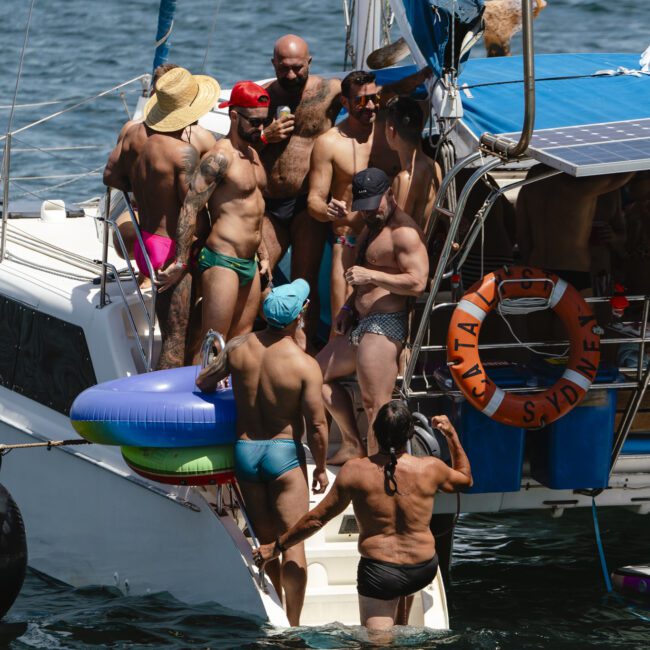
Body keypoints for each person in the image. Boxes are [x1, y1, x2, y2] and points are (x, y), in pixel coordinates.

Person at [253, 401, 473, 631]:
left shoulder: (354, 471)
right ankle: (402, 621)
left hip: (380, 574)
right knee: (402, 622)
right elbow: (466, 479)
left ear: (375, 433)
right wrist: (451, 434)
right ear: (410, 434)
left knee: (378, 643)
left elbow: (316, 519)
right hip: (422, 568)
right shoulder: (431, 468)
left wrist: (275, 547)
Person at [195, 279, 329, 626]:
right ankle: (294, 626)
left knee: (266, 542)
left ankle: (276, 615)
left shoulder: (239, 347)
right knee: (292, 544)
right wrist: (321, 468)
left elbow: (204, 382)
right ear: (300, 315)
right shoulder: (304, 365)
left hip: (245, 451)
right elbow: (316, 426)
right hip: (283, 454)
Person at [103, 66, 221, 369]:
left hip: (145, 243)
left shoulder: (132, 135)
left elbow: (110, 176)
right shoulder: (182, 152)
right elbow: (190, 212)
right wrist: (182, 260)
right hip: (170, 252)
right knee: (174, 340)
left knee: (175, 334)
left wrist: (144, 189)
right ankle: (165, 408)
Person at [316, 168, 428, 463]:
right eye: (362, 209)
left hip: (384, 325)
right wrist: (347, 307)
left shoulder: (403, 233)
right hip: (360, 323)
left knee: (376, 405)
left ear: (389, 195)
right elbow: (365, 280)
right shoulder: (371, 224)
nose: (368, 213)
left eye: (374, 206)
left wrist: (372, 275)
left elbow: (418, 282)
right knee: (314, 377)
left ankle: (381, 473)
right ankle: (353, 443)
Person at [308, 68, 430, 336]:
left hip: (391, 246)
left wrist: (428, 73)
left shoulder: (390, 132)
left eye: (375, 99)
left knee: (393, 324)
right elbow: (314, 200)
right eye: (362, 101)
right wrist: (327, 210)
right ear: (345, 103)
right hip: (350, 242)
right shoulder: (329, 143)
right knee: (342, 325)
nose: (371, 106)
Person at [158, 81, 270, 346]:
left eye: (264, 121)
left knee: (241, 339)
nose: (261, 128)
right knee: (214, 342)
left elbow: (255, 209)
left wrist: (263, 254)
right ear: (234, 115)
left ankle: (230, 388)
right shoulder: (220, 157)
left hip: (250, 262)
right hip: (223, 260)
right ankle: (201, 384)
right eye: (254, 122)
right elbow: (191, 207)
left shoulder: (253, 154)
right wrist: (182, 261)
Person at [259, 35, 340, 342]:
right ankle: (267, 342)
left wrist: (424, 77)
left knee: (303, 285)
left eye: (297, 68)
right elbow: (239, 147)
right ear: (273, 64)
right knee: (257, 276)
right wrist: (266, 136)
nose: (290, 75)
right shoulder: (263, 98)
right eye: (283, 68)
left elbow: (374, 95)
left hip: (307, 205)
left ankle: (304, 353)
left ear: (309, 62)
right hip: (270, 206)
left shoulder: (327, 91)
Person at [109, 63, 218, 262]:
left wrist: (144, 184)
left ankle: (145, 275)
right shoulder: (199, 139)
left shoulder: (130, 130)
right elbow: (195, 204)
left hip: (143, 228)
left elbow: (111, 177)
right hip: (176, 236)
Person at [516, 165, 635, 293]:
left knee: (539, 312)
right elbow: (618, 177)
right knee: (581, 313)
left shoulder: (533, 178)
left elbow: (522, 233)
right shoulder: (575, 182)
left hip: (536, 266)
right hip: (573, 268)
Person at [385, 96, 441, 233]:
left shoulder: (404, 179)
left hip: (409, 252)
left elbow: (396, 231)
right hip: (426, 249)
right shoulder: (434, 166)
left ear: (392, 131)